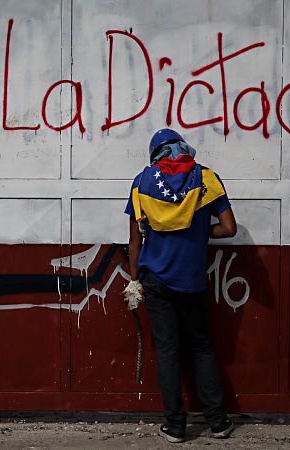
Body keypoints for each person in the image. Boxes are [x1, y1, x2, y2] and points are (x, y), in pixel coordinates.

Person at [123, 128, 236, 443]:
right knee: (200, 347)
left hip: (156, 280)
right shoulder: (207, 179)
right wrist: (198, 233)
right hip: (191, 281)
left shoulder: (142, 182)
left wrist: (134, 280)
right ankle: (218, 423)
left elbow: (134, 239)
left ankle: (175, 426)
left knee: (168, 351)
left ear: (155, 154)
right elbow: (228, 228)